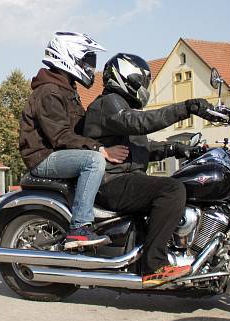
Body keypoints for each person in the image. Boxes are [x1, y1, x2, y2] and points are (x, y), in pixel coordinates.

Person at [81, 53, 215, 286]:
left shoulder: (123, 108)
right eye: (140, 81)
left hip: (126, 178)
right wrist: (185, 108)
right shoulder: (109, 103)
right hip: (111, 182)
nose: (144, 87)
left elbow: (142, 147)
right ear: (125, 79)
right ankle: (154, 266)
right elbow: (139, 123)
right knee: (172, 190)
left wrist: (176, 148)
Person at [19, 31, 130, 249]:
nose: (90, 66)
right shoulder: (49, 91)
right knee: (94, 161)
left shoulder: (67, 88)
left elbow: (82, 128)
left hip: (59, 154)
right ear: (67, 56)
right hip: (43, 157)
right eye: (86, 60)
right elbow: (60, 136)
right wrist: (100, 149)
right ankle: (79, 228)